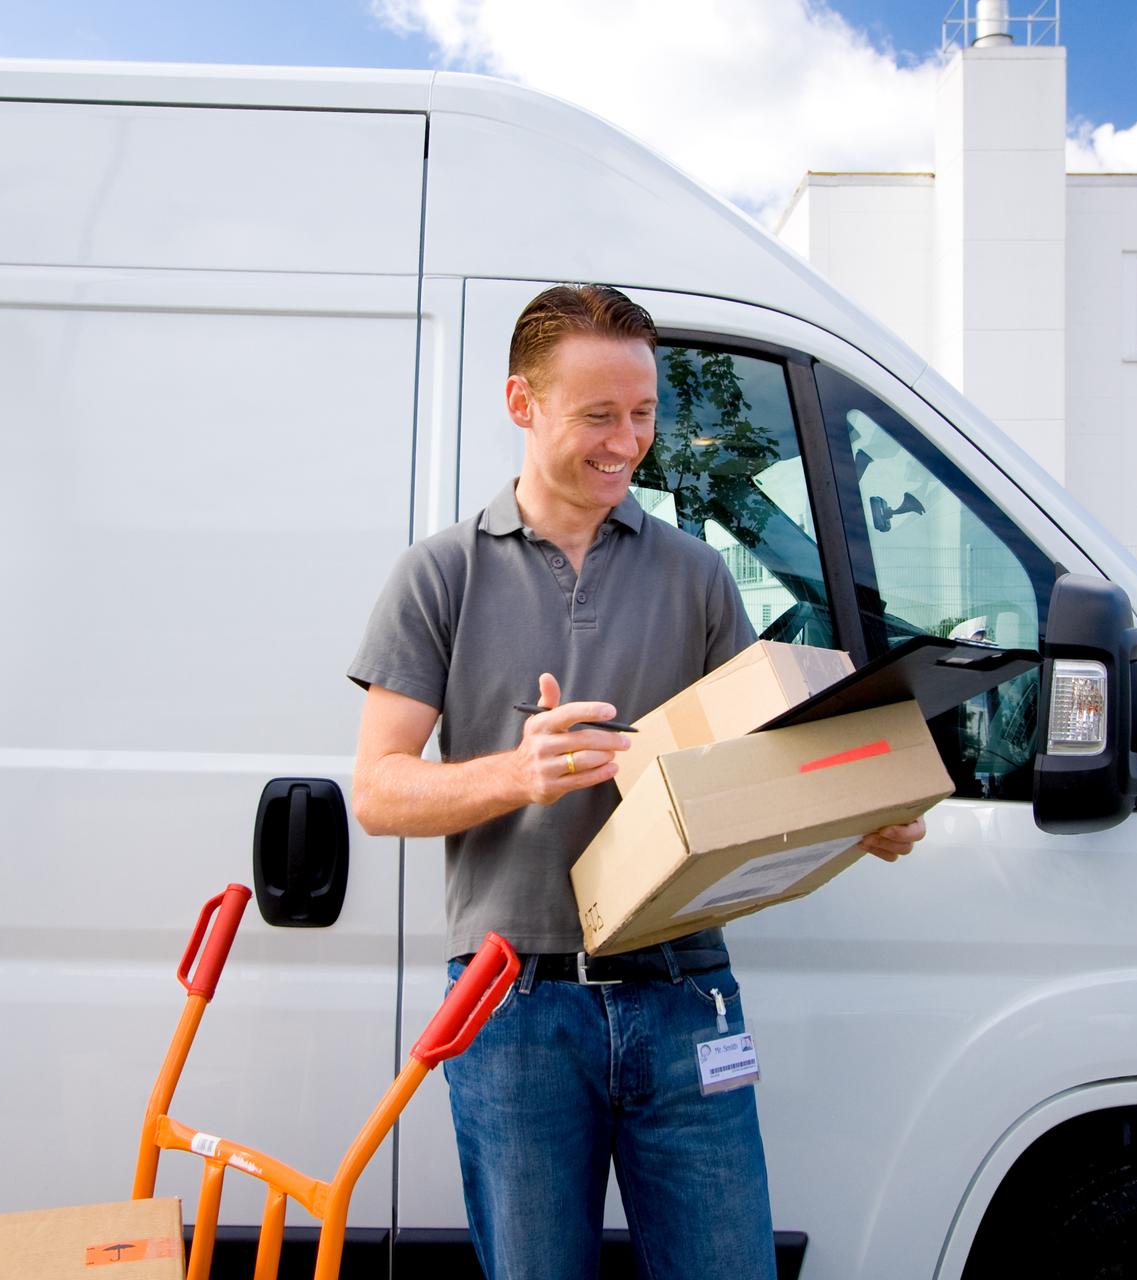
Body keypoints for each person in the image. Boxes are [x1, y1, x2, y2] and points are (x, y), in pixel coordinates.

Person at [348, 284, 925, 1280]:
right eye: (599, 415)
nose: (628, 441)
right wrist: (518, 774)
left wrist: (850, 810)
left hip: (684, 990)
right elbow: (378, 789)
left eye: (646, 413)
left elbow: (757, 756)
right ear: (522, 403)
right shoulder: (439, 575)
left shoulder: (698, 575)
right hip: (511, 1004)